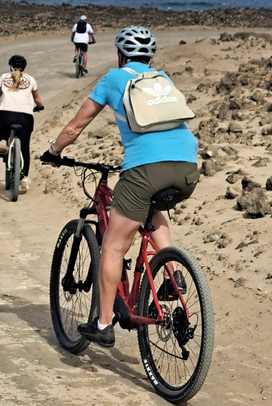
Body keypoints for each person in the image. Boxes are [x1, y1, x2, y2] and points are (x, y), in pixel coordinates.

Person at [42, 26, 199, 347]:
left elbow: (75, 127)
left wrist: (53, 152)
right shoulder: (162, 79)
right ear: (150, 57)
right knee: (152, 209)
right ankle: (171, 271)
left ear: (120, 54)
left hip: (146, 170)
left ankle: (102, 324)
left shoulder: (114, 78)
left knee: (113, 246)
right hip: (187, 167)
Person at [0, 55, 44, 192]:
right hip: (25, 116)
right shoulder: (31, 79)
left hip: (6, 114)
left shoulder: (4, 77)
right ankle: (24, 178)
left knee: (3, 126)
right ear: (25, 67)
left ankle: (3, 141)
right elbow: (38, 99)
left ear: (10, 66)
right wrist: (40, 107)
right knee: (24, 147)